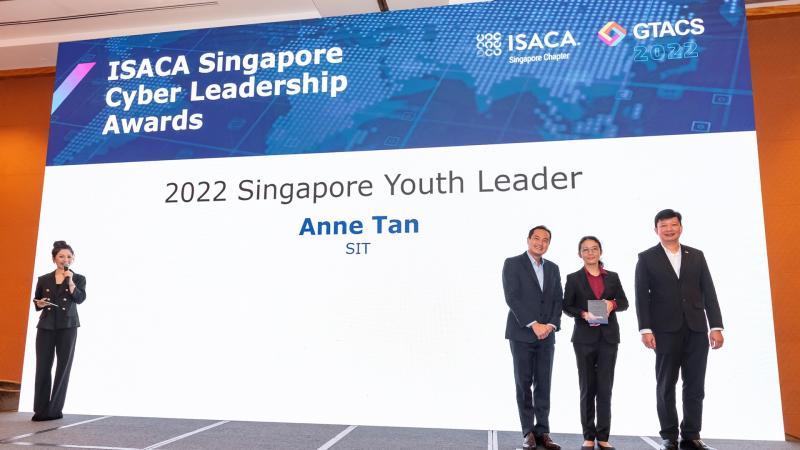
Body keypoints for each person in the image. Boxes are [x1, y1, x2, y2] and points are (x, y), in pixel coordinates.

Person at [635, 210, 723, 450]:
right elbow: (642, 296)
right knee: (666, 385)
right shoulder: (646, 258)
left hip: (696, 330)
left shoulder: (696, 255)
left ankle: (691, 435)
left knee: (695, 385)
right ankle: (669, 436)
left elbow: (709, 292)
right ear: (656, 230)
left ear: (680, 227)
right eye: (663, 226)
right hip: (664, 331)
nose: (669, 229)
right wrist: (645, 329)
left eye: (673, 225)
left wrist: (715, 326)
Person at [563, 236, 629, 450]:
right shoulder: (573, 278)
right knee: (587, 387)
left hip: (608, 339)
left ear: (600, 251)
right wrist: (583, 313)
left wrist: (612, 304)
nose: (590, 253)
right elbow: (566, 306)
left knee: (605, 388)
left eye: (594, 249)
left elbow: (624, 303)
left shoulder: (613, 277)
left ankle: (603, 436)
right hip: (584, 339)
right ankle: (588, 436)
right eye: (585, 250)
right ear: (579, 254)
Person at [502, 225, 563, 450]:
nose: (540, 243)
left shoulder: (553, 268)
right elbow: (512, 297)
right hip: (522, 333)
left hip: (547, 334)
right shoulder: (512, 263)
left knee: (544, 384)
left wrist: (551, 325)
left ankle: (543, 431)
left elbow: (558, 299)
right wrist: (533, 324)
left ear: (549, 244)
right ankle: (528, 432)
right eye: (536, 238)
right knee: (524, 383)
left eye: (545, 240)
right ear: (528, 240)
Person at [31, 240, 86, 421]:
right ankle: (40, 410)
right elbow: (37, 300)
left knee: (63, 368)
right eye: (61, 256)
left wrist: (71, 283)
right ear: (54, 259)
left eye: (69, 256)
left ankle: (54, 411)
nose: (65, 259)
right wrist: (39, 303)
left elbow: (80, 299)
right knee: (43, 367)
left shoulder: (79, 278)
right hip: (46, 325)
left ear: (73, 258)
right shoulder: (43, 279)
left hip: (68, 326)